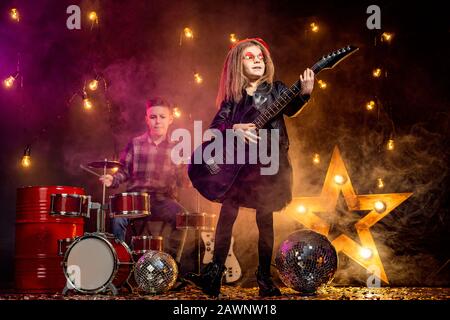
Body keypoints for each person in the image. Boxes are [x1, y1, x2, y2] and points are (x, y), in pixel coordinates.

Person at [187, 38, 315, 297]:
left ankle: (265, 279)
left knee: (265, 220)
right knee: (227, 215)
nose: (257, 59)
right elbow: (214, 130)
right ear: (237, 64)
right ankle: (213, 275)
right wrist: (234, 128)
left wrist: (305, 95)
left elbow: (291, 109)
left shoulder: (277, 89)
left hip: (268, 166)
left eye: (260, 56)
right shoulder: (233, 98)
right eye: (249, 56)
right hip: (238, 169)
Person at [100, 97, 189, 289]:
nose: (158, 121)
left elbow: (184, 182)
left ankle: (171, 268)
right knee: (117, 218)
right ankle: (120, 271)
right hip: (137, 200)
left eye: (162, 117)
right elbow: (123, 171)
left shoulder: (176, 147)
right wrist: (112, 179)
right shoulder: (136, 143)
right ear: (146, 119)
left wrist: (187, 169)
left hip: (162, 200)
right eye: (153, 117)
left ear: (170, 119)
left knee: (184, 217)